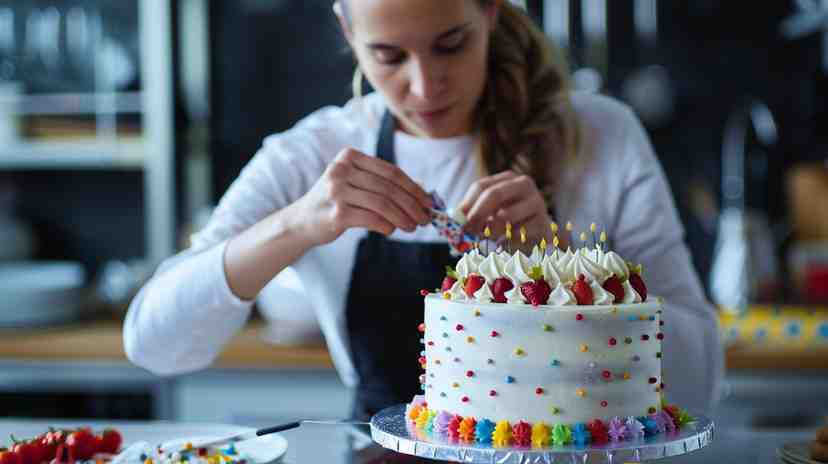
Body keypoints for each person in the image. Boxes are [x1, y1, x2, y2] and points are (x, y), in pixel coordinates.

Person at [124, 0, 723, 422]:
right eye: (388, 56)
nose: (426, 85)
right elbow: (153, 344)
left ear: (490, 11)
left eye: (451, 45)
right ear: (347, 29)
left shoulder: (600, 136)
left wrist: (569, 277)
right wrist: (296, 224)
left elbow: (700, 384)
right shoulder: (308, 155)